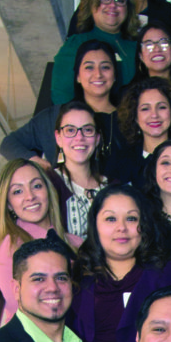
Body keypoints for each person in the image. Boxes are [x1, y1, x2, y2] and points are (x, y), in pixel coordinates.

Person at [70, 187, 171, 342]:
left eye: (131, 218)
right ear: (95, 225)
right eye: (110, 219)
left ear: (144, 225)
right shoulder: (77, 280)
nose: (121, 228)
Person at [0, 41, 125, 173]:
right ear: (77, 76)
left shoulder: (130, 119)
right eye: (89, 67)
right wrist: (38, 163)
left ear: (115, 74)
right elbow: (8, 144)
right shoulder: (54, 116)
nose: (98, 74)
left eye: (105, 67)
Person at [0, 159, 81, 327]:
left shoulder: (77, 244)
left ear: (48, 190)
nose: (30, 196)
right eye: (17, 191)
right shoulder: (9, 249)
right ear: (8, 204)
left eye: (37, 186)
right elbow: (21, 309)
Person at [51, 0, 139, 105]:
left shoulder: (137, 47)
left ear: (128, 7)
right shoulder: (76, 44)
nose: (112, 5)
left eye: (119, 0)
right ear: (91, 3)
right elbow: (61, 96)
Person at [108, 76, 171, 188]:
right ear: (135, 116)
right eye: (145, 109)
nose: (154, 115)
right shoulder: (121, 163)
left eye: (161, 107)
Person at [46, 101, 110, 239]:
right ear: (58, 138)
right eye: (70, 130)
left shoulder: (113, 186)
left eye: (87, 130)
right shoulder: (46, 185)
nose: (79, 137)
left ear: (97, 138)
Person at [134, 21, 171, 86]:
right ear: (140, 55)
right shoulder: (131, 94)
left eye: (163, 43)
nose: (157, 49)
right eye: (149, 45)